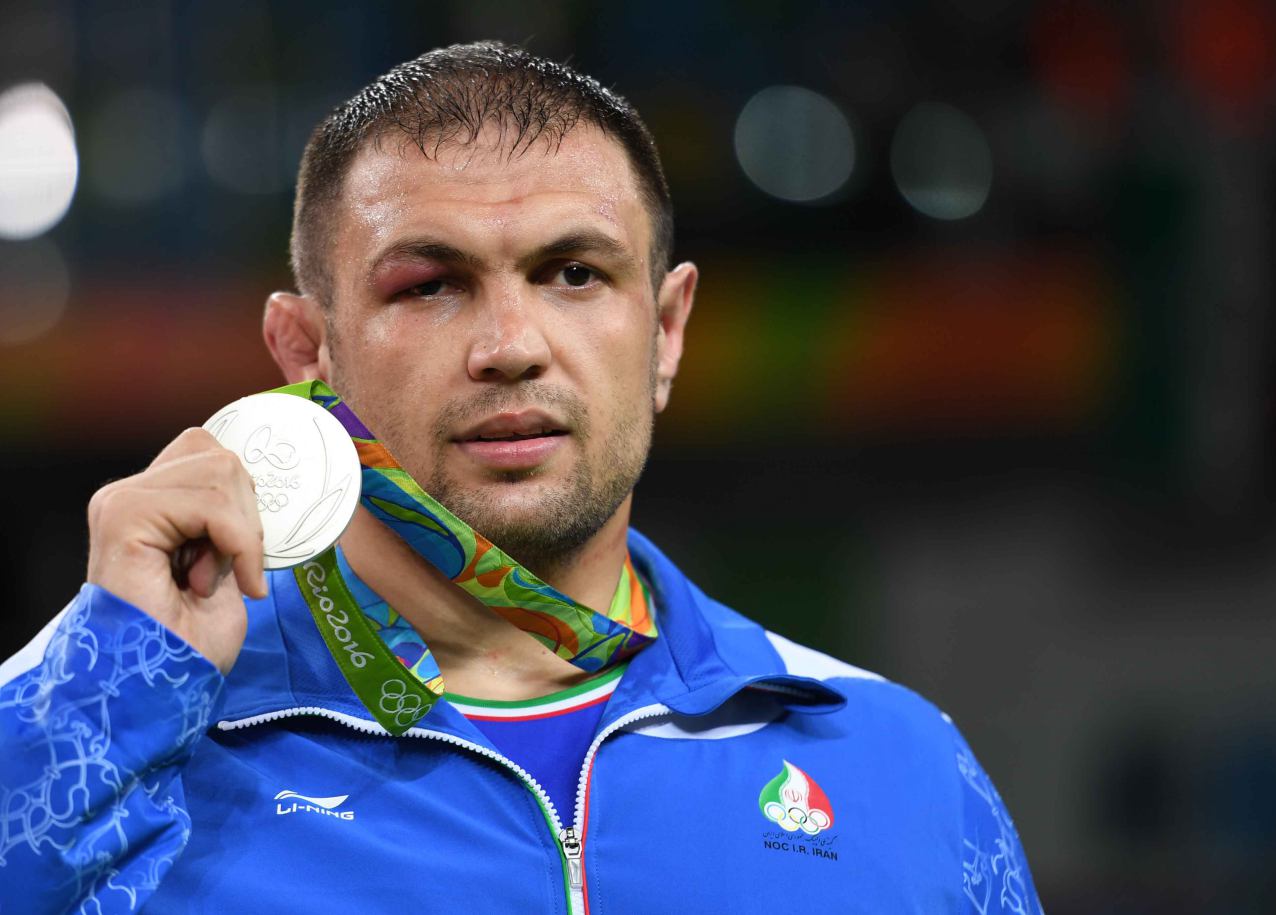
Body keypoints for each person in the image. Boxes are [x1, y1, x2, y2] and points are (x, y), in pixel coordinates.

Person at [0, 41, 1042, 914]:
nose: (510, 346)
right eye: (430, 285)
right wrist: (99, 701)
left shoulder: (895, 763)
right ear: (306, 355)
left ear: (667, 331)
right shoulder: (101, 732)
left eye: (574, 273)